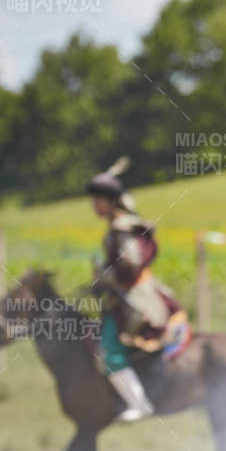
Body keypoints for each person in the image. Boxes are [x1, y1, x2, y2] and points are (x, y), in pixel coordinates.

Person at [86, 158, 166, 422]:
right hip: (124, 294)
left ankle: (138, 403)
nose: (93, 205)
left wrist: (104, 275)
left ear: (111, 201)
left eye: (98, 200)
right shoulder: (118, 225)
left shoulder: (121, 228)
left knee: (108, 349)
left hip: (134, 297)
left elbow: (131, 265)